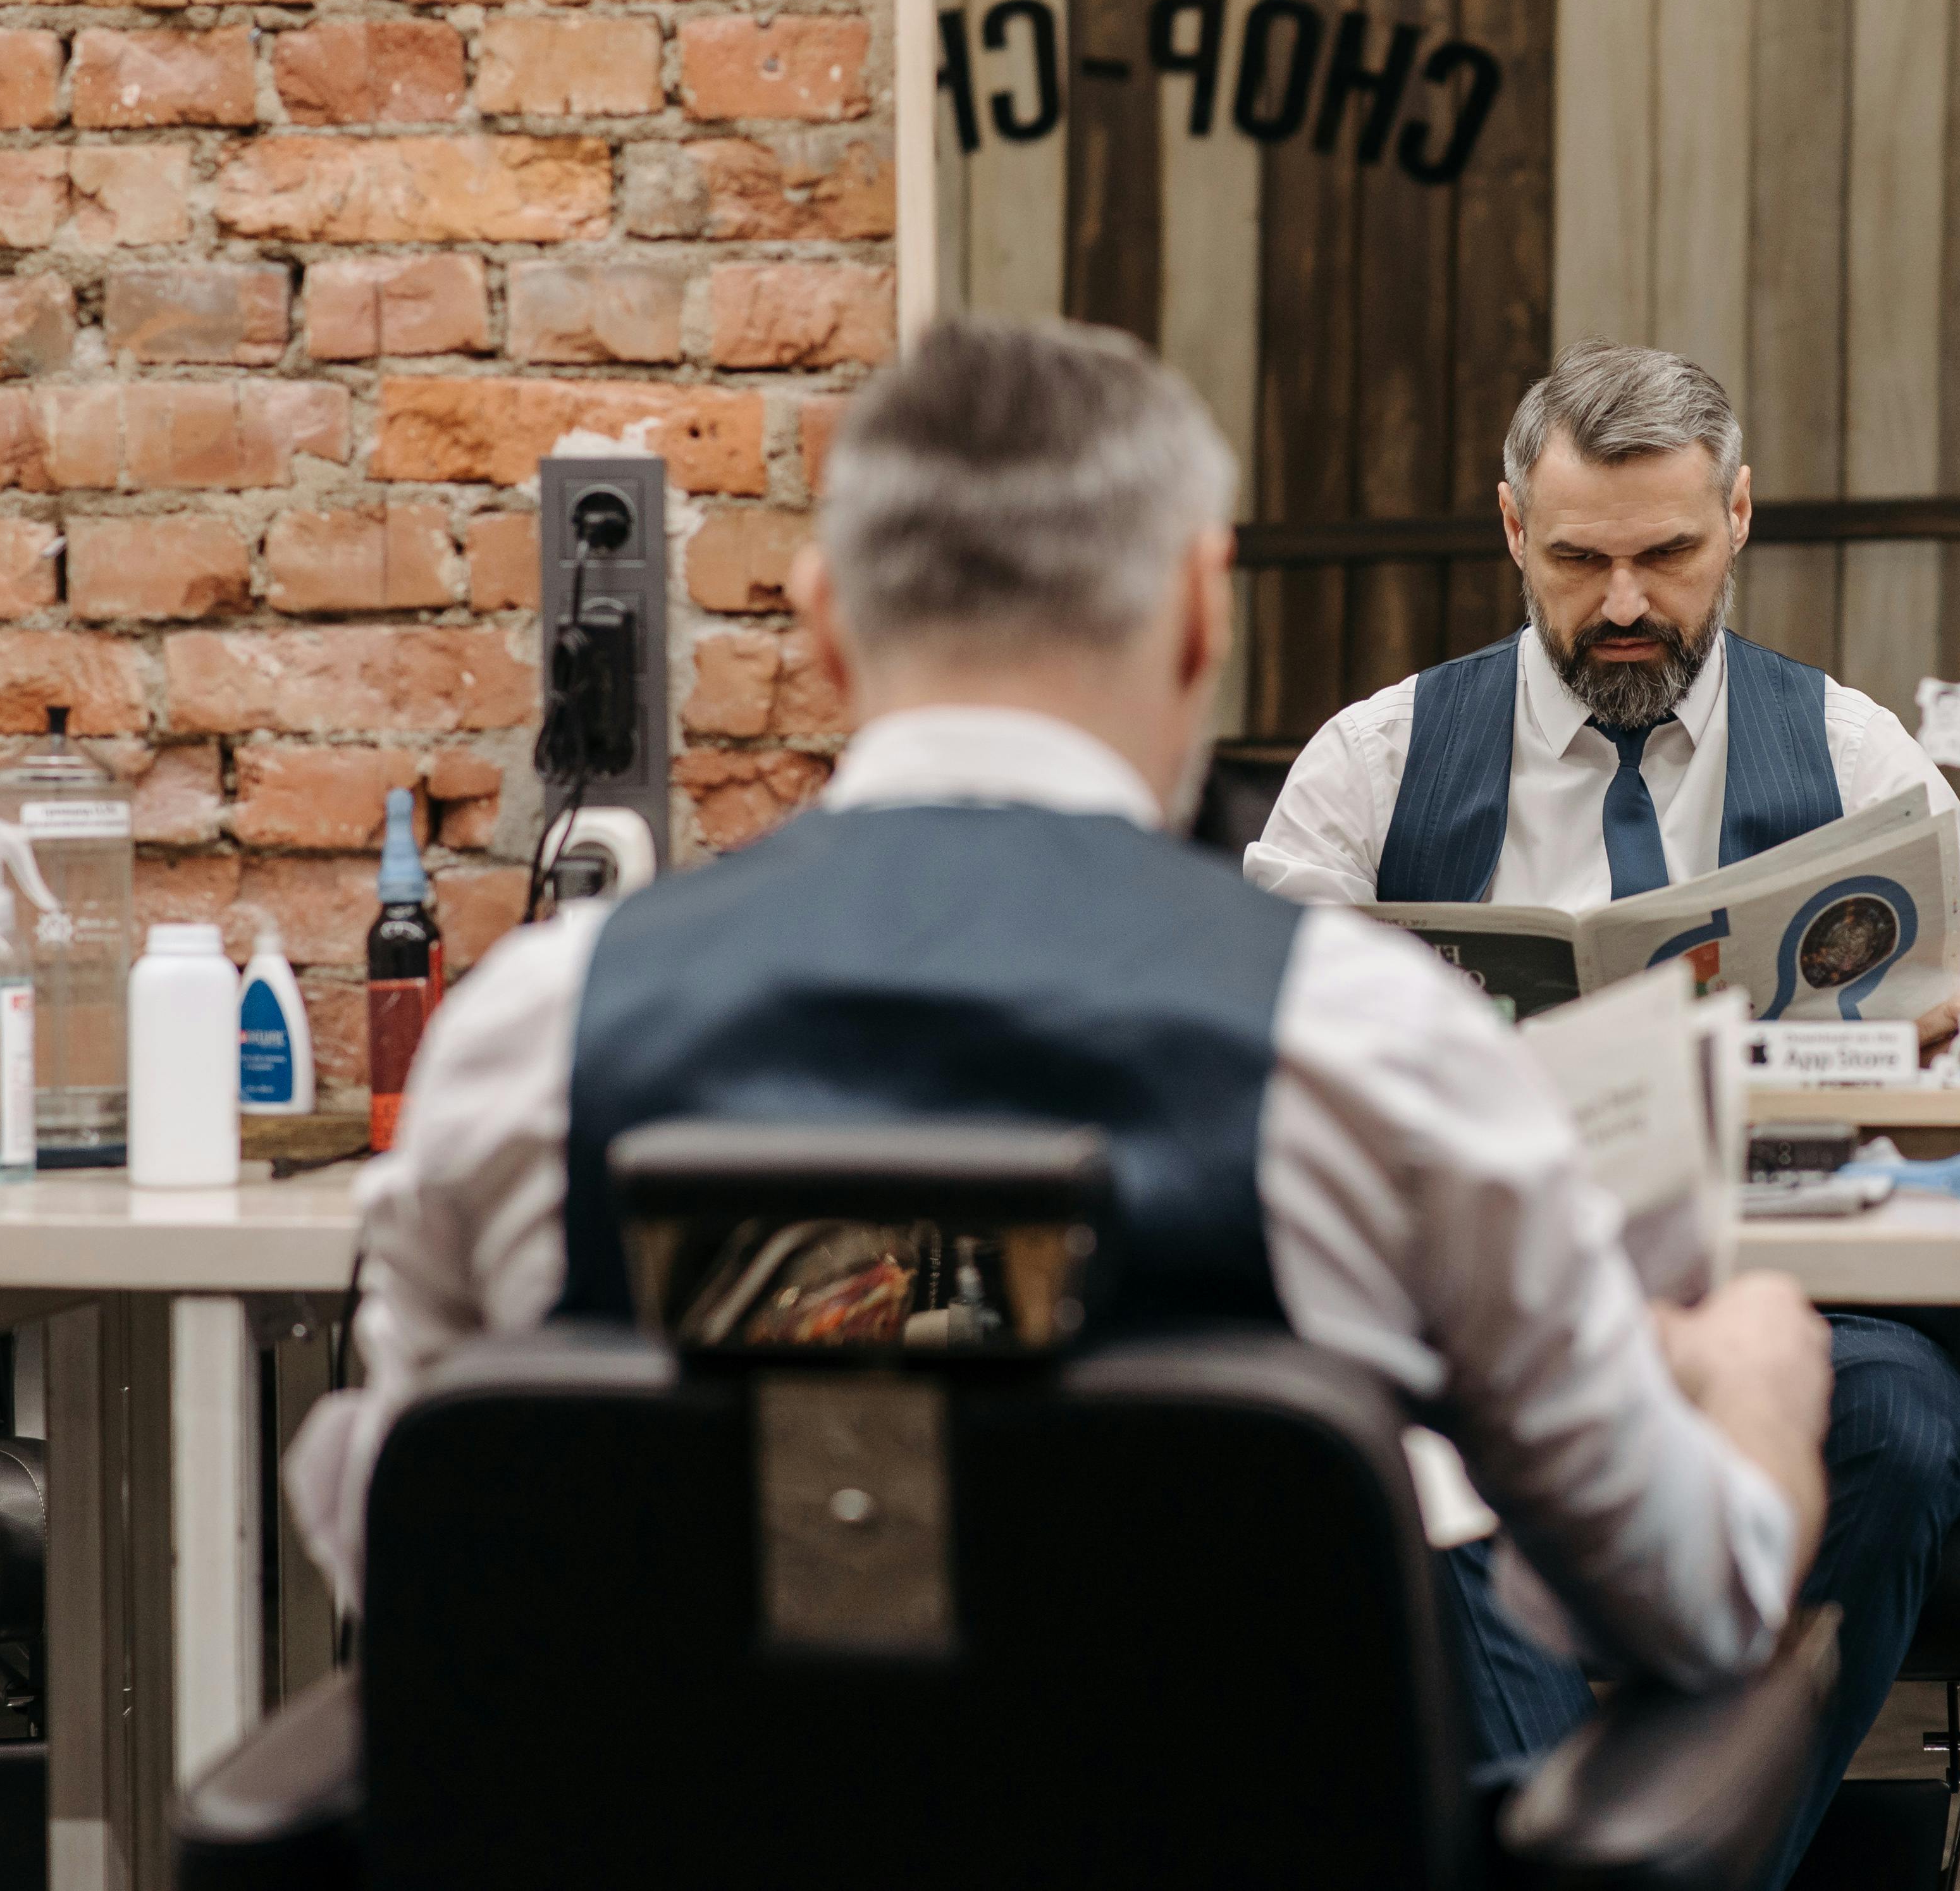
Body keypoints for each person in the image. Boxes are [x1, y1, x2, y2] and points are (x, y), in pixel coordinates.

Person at [285, 314, 1841, 1866]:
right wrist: (1755, 1391)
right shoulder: (1371, 1049)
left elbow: (421, 1565)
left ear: (825, 627)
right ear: (1193, 617)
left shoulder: (524, 1045)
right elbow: (1686, 1605)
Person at [1246, 340, 1960, 1881]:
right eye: (1580, 560)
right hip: (1471, 1309)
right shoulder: (1369, 766)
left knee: (1909, 1427)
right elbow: (1254, 1066)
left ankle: (1672, 1857)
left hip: (1791, 1294)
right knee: (1390, 1438)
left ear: (1736, 519)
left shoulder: (1862, 762)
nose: (1627, 603)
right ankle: (1573, 1849)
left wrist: (1952, 1047)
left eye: (1666, 553)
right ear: (1515, 530)